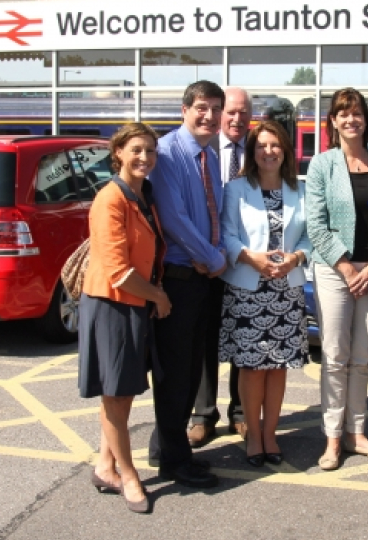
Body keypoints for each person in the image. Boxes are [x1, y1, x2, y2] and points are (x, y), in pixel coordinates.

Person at [79, 122, 170, 514]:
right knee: (115, 394)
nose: (144, 157)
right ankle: (129, 475)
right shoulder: (110, 199)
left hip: (134, 303)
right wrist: (158, 296)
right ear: (118, 152)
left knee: (122, 391)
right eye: (136, 150)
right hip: (112, 304)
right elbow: (118, 271)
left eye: (150, 150)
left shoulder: (143, 195)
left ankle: (105, 465)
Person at [305, 87, 368, 470]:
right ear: (333, 121)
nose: (350, 119)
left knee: (362, 356)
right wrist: (347, 269)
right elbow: (316, 224)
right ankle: (332, 438)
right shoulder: (322, 164)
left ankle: (357, 434)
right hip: (334, 270)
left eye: (356, 112)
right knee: (334, 355)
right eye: (343, 113)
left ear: (366, 119)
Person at [218, 120, 311, 467]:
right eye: (261, 146)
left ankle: (271, 434)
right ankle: (254, 435)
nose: (268, 151)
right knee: (253, 367)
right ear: (252, 152)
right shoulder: (237, 188)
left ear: (285, 150)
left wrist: (296, 258)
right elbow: (227, 235)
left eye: (274, 145)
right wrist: (251, 258)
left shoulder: (300, 190)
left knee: (278, 367)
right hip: (248, 290)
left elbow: (310, 236)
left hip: (286, 290)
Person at [147, 81, 226, 489]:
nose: (209, 116)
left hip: (203, 279)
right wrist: (214, 258)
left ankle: (165, 447)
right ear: (184, 110)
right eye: (201, 107)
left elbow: (217, 214)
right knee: (176, 374)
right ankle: (174, 462)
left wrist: (216, 255)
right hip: (178, 280)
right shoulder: (166, 153)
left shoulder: (211, 155)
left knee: (192, 370)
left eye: (216, 108)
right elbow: (174, 219)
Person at [189, 86, 252, 447]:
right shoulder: (203, 148)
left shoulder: (259, 151)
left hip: (245, 260)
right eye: (230, 111)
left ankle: (240, 412)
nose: (236, 118)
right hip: (207, 261)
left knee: (243, 337)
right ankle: (203, 415)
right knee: (205, 338)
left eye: (244, 112)